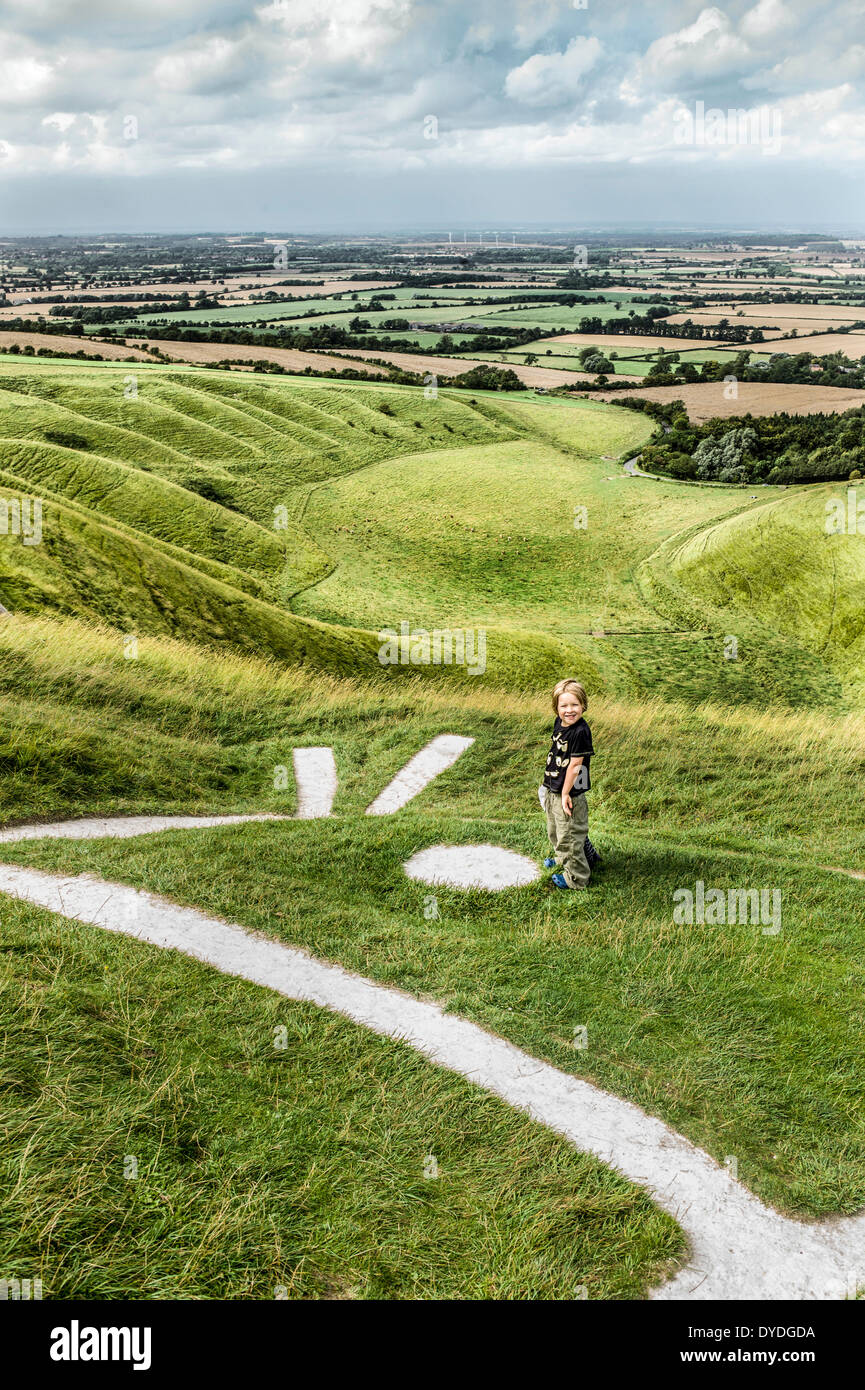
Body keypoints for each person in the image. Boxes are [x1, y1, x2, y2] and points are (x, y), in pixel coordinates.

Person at [540, 678, 595, 890]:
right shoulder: (559, 722)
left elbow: (575, 765)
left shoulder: (580, 731)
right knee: (555, 830)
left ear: (583, 705)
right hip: (554, 787)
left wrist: (565, 794)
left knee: (569, 836)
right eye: (564, 705)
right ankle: (563, 861)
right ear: (556, 708)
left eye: (575, 705)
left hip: (569, 792)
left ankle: (577, 878)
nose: (569, 710)